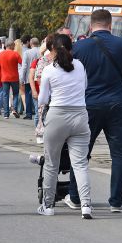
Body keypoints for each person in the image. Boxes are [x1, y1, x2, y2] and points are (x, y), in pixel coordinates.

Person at [66, 9, 122, 213]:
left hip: (89, 104)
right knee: (119, 154)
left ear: (91, 26)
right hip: (117, 104)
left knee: (81, 153)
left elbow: (68, 71)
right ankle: (116, 202)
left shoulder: (79, 46)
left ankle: (75, 197)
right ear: (110, 25)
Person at [36, 35, 93, 219]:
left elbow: (43, 99)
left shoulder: (48, 70)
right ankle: (86, 205)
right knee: (80, 164)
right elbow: (84, 87)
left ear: (52, 49)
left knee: (52, 164)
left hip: (57, 116)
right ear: (71, 48)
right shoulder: (80, 65)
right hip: (80, 116)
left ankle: (48, 205)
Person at [0, 39, 22, 119]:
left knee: (5, 95)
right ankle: (14, 109)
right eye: (13, 45)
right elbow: (21, 63)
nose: (14, 46)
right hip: (14, 77)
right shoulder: (15, 54)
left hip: (4, 77)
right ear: (10, 45)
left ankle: (6, 114)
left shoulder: (1, 54)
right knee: (16, 94)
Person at [21, 37, 41, 121]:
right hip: (39, 76)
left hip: (29, 76)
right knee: (38, 94)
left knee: (28, 95)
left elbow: (24, 66)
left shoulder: (27, 52)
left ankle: (29, 113)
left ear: (30, 43)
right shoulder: (41, 51)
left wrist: (22, 78)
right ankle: (37, 111)